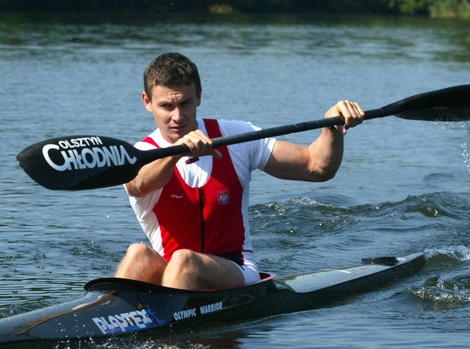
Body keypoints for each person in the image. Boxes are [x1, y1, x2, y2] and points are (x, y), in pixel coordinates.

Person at [114, 52, 365, 290]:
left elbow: (316, 166)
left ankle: (164, 332)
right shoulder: (139, 155)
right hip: (172, 273)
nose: (178, 116)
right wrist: (178, 151)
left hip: (235, 269)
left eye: (186, 104)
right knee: (138, 254)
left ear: (199, 96)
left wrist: (332, 126)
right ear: (147, 102)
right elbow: (140, 185)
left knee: (183, 261)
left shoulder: (234, 136)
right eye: (167, 106)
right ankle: (102, 320)